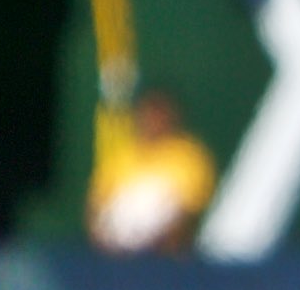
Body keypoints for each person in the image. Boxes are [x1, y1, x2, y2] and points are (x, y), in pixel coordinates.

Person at [86, 90, 217, 256]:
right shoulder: (121, 156)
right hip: (118, 253)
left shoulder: (190, 156)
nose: (153, 121)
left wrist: (162, 240)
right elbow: (95, 206)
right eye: (148, 114)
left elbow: (190, 211)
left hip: (167, 256)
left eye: (159, 115)